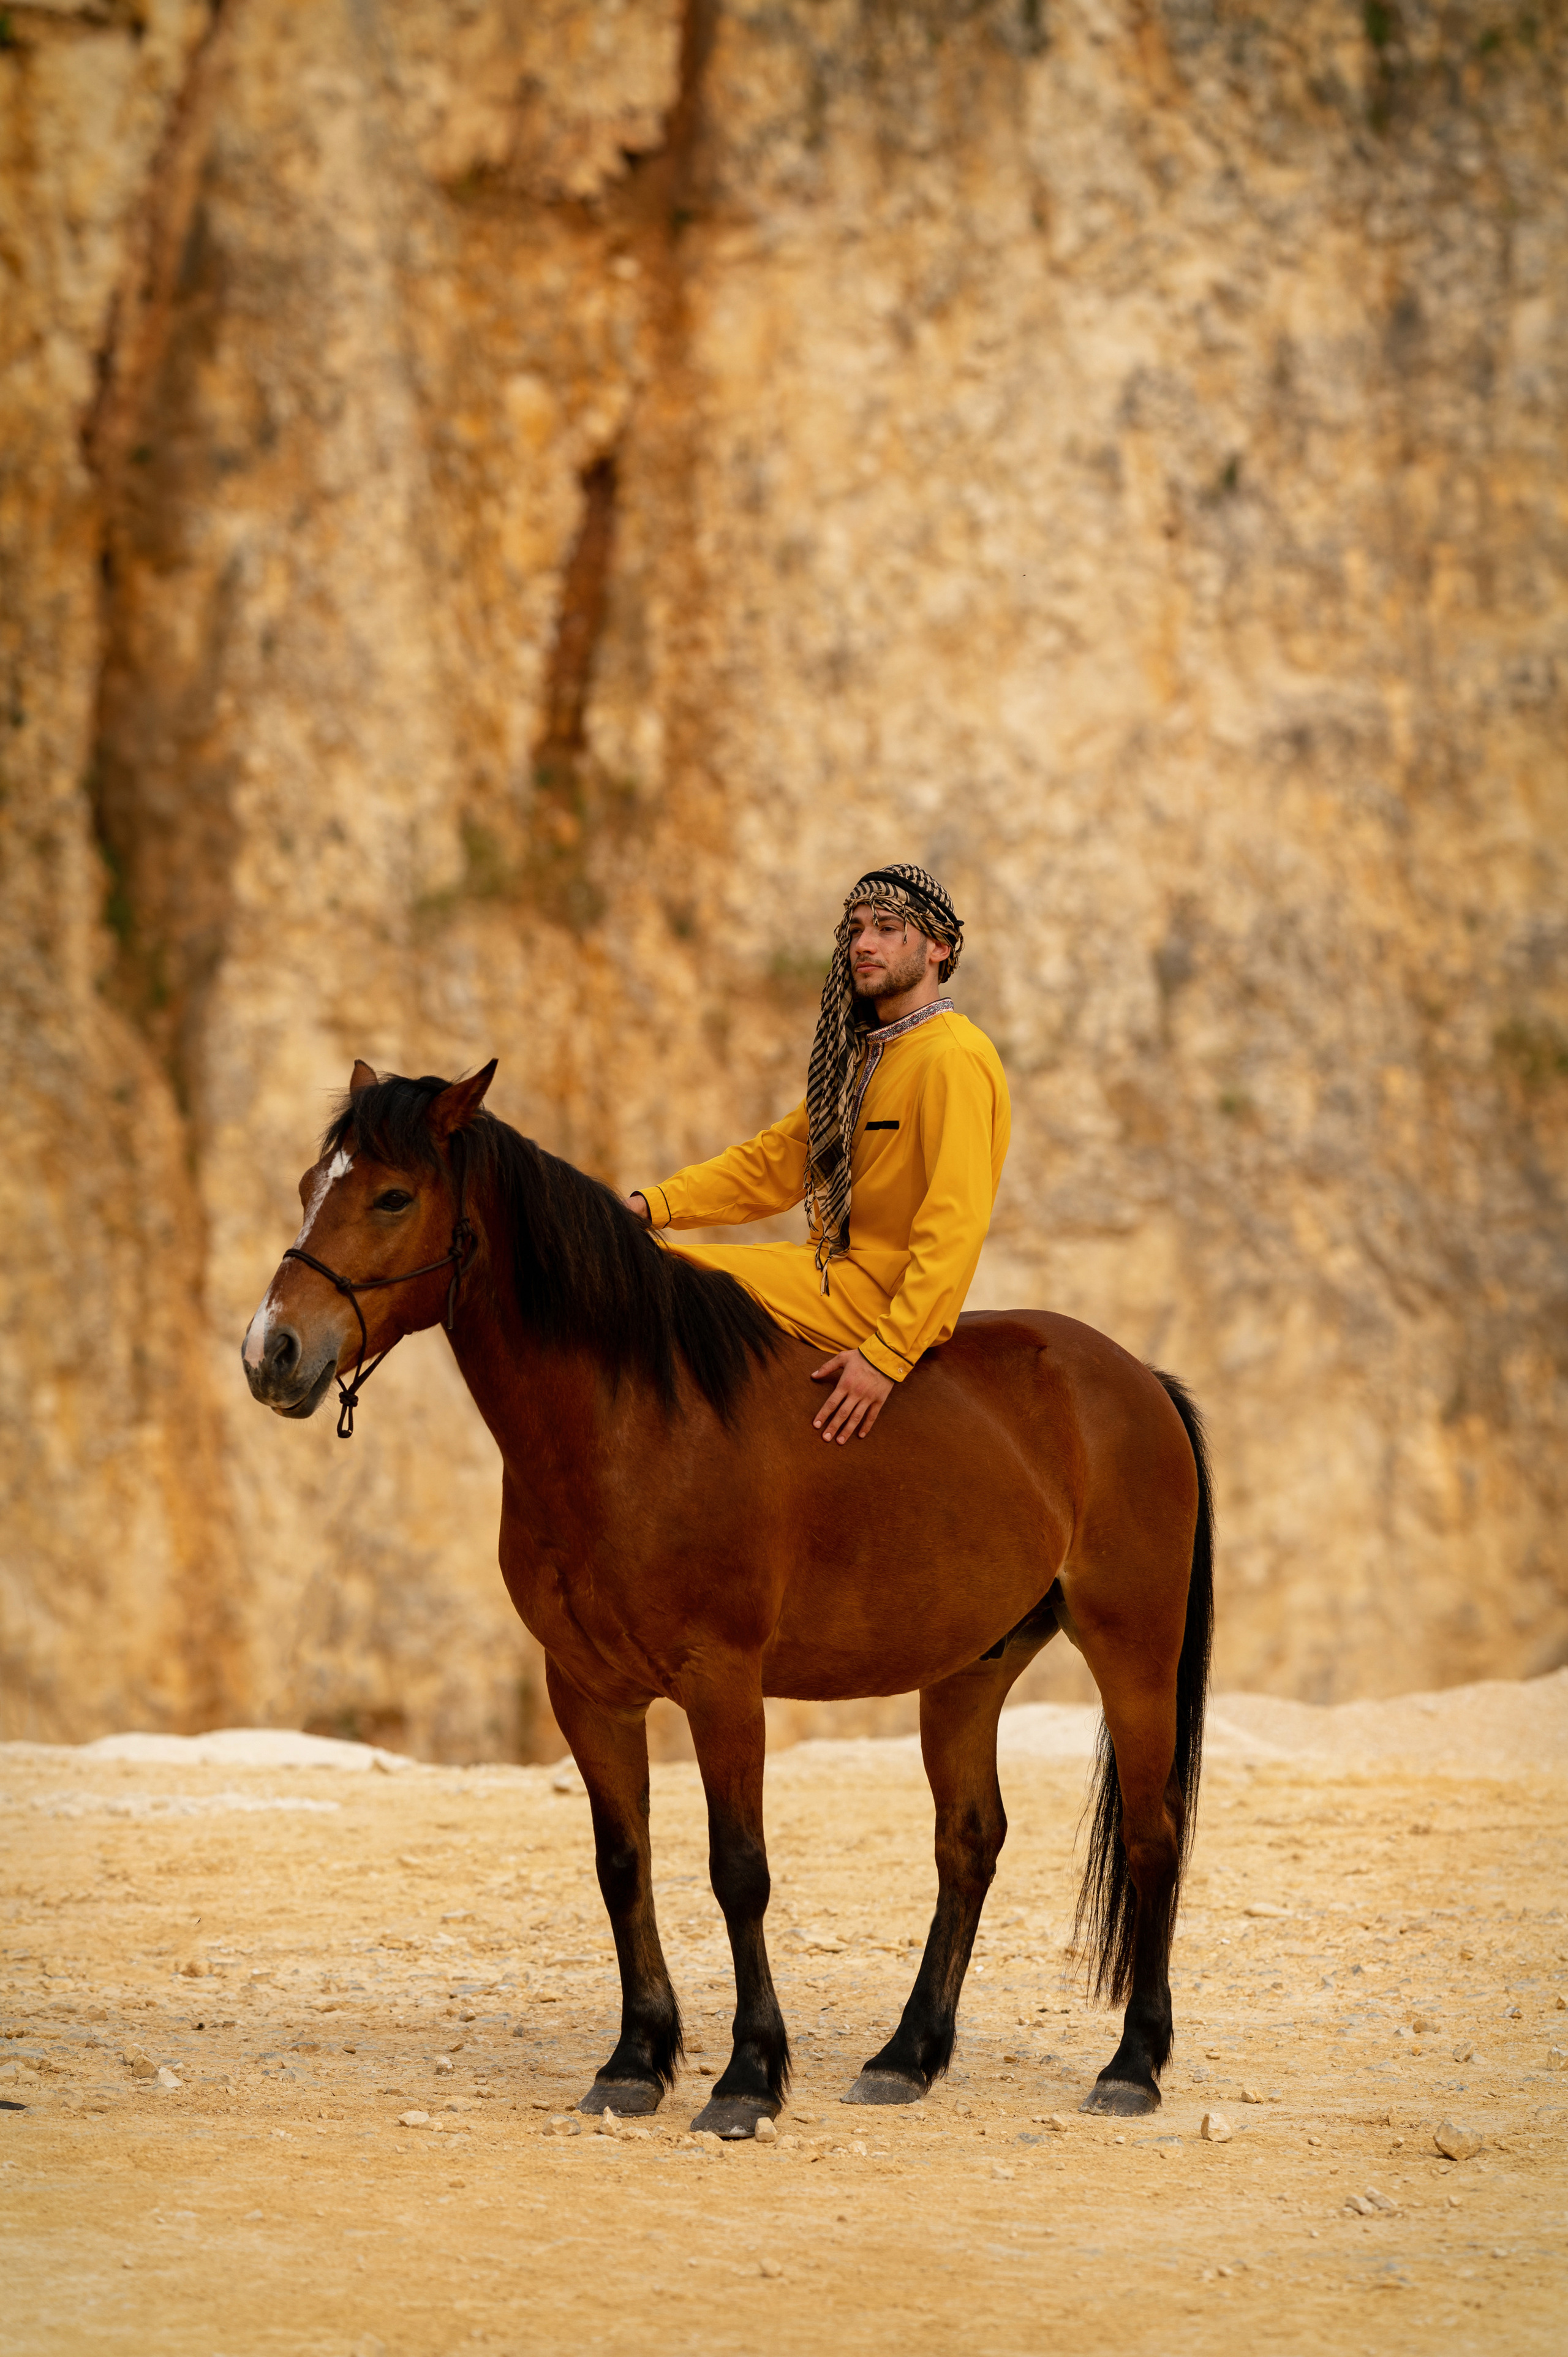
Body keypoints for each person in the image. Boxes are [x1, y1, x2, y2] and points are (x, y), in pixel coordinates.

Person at [627, 863, 1011, 1443]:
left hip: (877, 1299)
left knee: (666, 1278)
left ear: (939, 946)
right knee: (643, 1261)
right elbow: (775, 1163)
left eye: (886, 927)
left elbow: (954, 1225)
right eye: (856, 929)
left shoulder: (953, 1058)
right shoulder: (861, 1058)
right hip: (827, 1273)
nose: (864, 943)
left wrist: (887, 1356)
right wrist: (649, 1207)